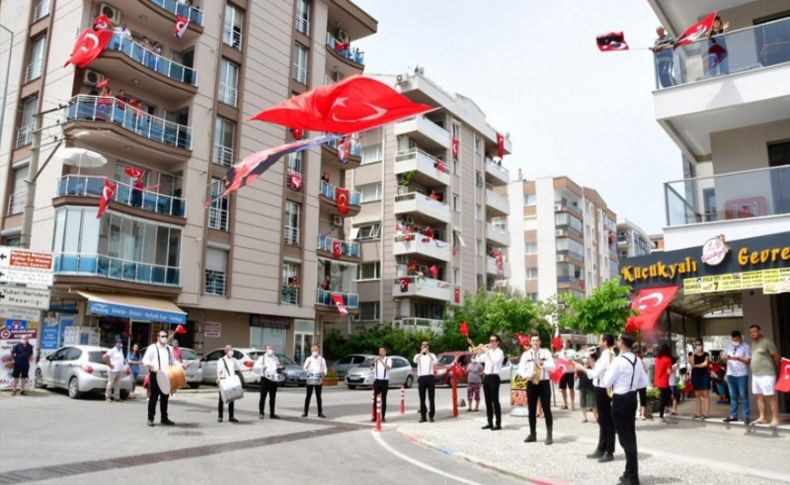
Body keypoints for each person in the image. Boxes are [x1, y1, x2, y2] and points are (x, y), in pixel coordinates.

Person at [602, 333, 649, 485]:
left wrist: (609, 370)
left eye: (618, 339)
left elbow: (606, 382)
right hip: (631, 399)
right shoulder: (638, 360)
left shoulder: (618, 361)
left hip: (621, 400)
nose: (616, 341)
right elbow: (643, 383)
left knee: (625, 440)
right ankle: (629, 472)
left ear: (622, 343)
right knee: (630, 436)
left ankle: (633, 477)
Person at [575, 333, 616, 463]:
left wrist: (582, 368)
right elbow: (599, 371)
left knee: (606, 421)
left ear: (605, 342)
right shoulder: (610, 353)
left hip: (603, 390)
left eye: (600, 339)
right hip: (604, 389)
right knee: (603, 421)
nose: (598, 341)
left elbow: (595, 373)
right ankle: (602, 448)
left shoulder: (606, 355)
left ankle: (608, 451)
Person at [519, 334, 556, 445]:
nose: (535, 342)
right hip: (531, 382)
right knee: (531, 410)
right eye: (533, 340)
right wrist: (527, 375)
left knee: (546, 409)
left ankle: (549, 435)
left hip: (543, 383)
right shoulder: (526, 354)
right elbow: (521, 368)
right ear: (530, 342)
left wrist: (543, 363)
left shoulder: (546, 353)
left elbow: (553, 367)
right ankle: (532, 434)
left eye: (537, 340)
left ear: (540, 342)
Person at [142, 331, 178, 426]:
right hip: (155, 375)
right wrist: (152, 366)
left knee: (165, 398)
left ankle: (164, 418)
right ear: (158, 337)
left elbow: (174, 361)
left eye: (165, 336)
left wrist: (182, 365)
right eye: (162, 336)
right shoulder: (152, 348)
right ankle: (150, 418)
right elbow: (145, 360)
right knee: (153, 397)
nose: (164, 338)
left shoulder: (169, 349)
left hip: (167, 375)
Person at [749, 324, 780, 427]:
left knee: (770, 396)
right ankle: (763, 417)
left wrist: (772, 367)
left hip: (766, 374)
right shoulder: (753, 343)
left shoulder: (767, 342)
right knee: (759, 397)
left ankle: (775, 419)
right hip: (756, 374)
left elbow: (776, 357)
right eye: (751, 332)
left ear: (760, 331)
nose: (752, 334)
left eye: (754, 331)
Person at [476, 335, 504, 431]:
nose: (491, 343)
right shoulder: (489, 352)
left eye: (493, 341)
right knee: (487, 401)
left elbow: (495, 361)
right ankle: (490, 422)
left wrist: (487, 352)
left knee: (495, 401)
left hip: (494, 377)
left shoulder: (499, 352)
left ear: (497, 342)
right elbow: (478, 360)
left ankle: (498, 423)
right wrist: (479, 352)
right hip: (486, 377)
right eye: (490, 341)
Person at [722, 330, 751, 424]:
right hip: (731, 374)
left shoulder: (746, 346)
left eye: (737, 339)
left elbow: (748, 361)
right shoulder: (728, 346)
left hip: (742, 374)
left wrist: (738, 358)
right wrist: (725, 357)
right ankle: (733, 415)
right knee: (732, 396)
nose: (735, 341)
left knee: (743, 396)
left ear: (740, 338)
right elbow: (722, 357)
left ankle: (746, 417)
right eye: (733, 339)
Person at [253, 345, 281, 419]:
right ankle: (261, 413)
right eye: (269, 349)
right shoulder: (262, 358)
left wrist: (279, 367)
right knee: (263, 397)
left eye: (271, 348)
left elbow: (277, 366)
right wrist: (262, 366)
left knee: (272, 397)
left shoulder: (275, 358)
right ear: (265, 350)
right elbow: (255, 366)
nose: (270, 350)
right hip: (265, 379)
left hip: (273, 379)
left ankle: (272, 413)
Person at [414, 341, 437, 423]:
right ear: (421, 346)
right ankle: (423, 417)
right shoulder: (418, 355)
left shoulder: (432, 355)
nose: (425, 346)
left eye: (426, 345)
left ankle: (431, 416)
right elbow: (415, 360)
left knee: (431, 398)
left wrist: (428, 353)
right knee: (422, 399)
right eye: (423, 345)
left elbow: (435, 361)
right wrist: (421, 353)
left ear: (428, 347)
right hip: (421, 377)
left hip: (430, 377)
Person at [302, 345, 327, 418]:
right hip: (310, 379)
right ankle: (305, 412)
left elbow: (325, 370)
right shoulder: (308, 359)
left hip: (318, 379)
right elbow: (304, 368)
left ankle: (320, 412)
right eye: (313, 350)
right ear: (311, 351)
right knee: (308, 396)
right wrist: (308, 369)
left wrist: (323, 372)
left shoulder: (322, 359)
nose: (314, 352)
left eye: (315, 350)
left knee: (318, 396)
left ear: (318, 350)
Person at [216, 345, 239, 423]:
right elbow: (219, 371)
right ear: (226, 351)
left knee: (232, 399)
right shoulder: (221, 360)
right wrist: (218, 378)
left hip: (231, 381)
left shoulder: (233, 360)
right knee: (222, 399)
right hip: (224, 381)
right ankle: (220, 416)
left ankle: (231, 416)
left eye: (232, 350)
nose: (231, 351)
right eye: (230, 350)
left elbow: (239, 368)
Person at [690, 338, 711, 419]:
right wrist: (693, 354)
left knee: (705, 395)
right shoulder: (692, 354)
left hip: (704, 375)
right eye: (696, 344)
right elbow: (691, 364)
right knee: (697, 395)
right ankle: (697, 413)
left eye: (699, 344)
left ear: (702, 345)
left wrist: (696, 365)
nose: (698, 346)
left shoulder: (706, 354)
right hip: (695, 375)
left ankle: (705, 413)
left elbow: (705, 364)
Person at [371, 347, 392, 422]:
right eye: (380, 351)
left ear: (385, 352)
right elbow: (370, 369)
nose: (381, 352)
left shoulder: (388, 359)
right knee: (375, 399)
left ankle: (383, 416)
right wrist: (373, 362)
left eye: (382, 351)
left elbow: (388, 368)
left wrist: (381, 361)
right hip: (377, 381)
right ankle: (375, 416)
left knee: (383, 399)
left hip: (384, 381)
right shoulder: (376, 360)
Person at [654, 344, 672, 422]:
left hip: (657, 380)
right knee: (664, 398)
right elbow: (668, 372)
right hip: (664, 381)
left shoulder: (657, 359)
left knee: (666, 394)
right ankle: (661, 415)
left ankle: (665, 408)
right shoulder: (668, 359)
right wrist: (673, 369)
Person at [556, 339, 576, 410]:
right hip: (562, 372)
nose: (565, 344)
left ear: (569, 344)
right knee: (563, 388)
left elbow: (575, 360)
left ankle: (572, 403)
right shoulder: (560, 351)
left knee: (571, 388)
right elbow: (557, 359)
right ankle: (565, 403)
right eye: (564, 343)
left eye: (567, 343)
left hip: (570, 372)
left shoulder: (573, 351)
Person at [578, 352, 596, 423]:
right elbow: (578, 374)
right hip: (582, 384)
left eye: (587, 358)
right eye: (585, 358)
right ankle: (584, 417)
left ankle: (596, 416)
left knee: (593, 401)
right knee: (582, 401)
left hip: (591, 385)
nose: (586, 359)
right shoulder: (581, 365)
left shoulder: (593, 365)